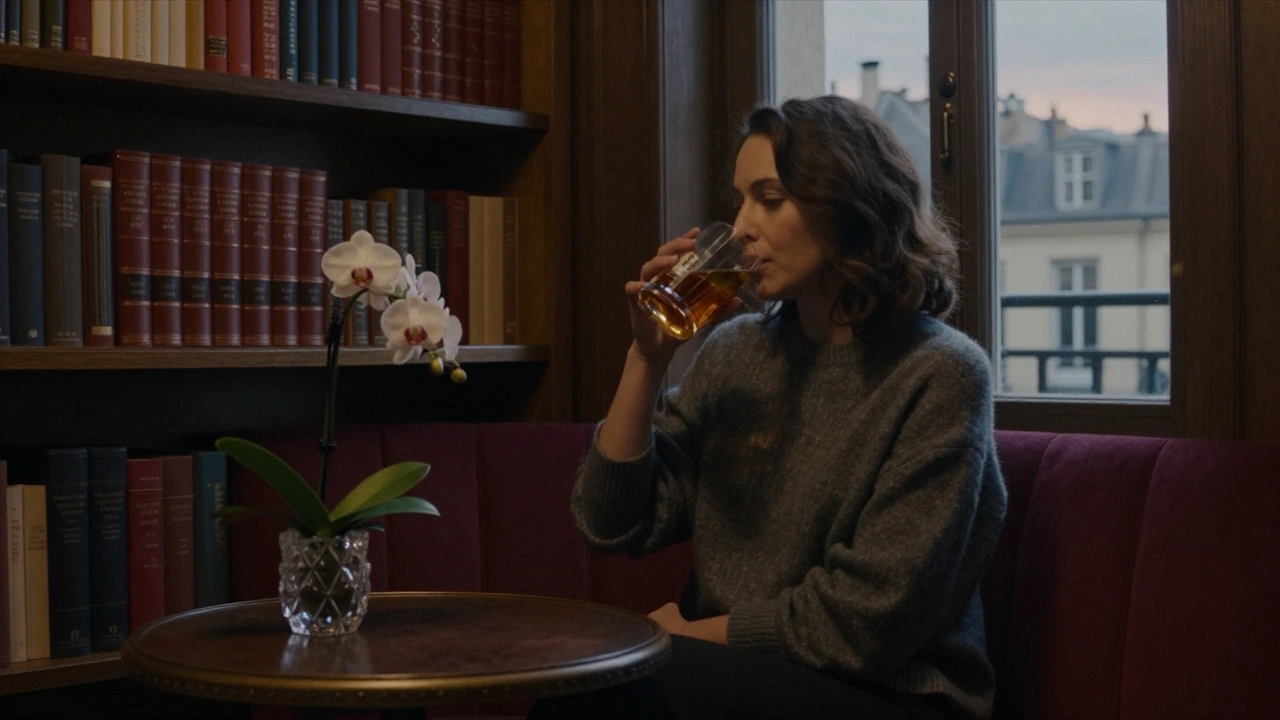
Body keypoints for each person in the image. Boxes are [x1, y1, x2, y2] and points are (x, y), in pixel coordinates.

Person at [528, 95, 1007, 720]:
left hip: (892, 693)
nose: (744, 225)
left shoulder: (941, 374)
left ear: (848, 205)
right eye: (741, 199)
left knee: (612, 687)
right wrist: (646, 359)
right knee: (586, 685)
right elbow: (610, 521)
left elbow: (869, 622)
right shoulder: (736, 351)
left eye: (770, 199)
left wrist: (690, 636)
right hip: (735, 678)